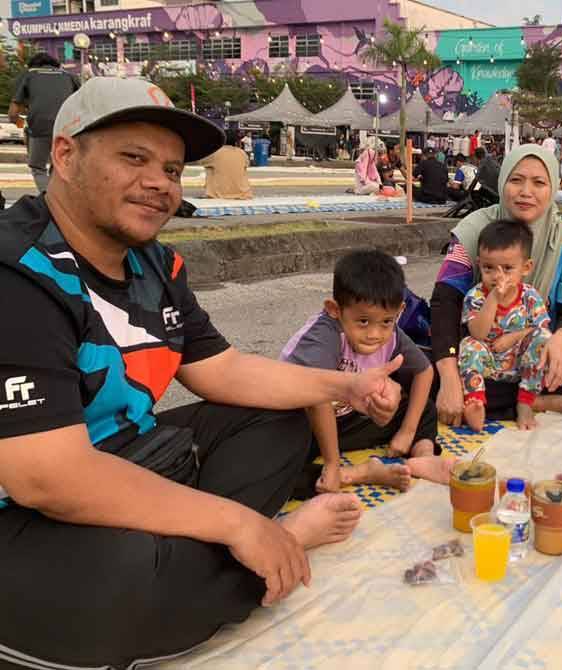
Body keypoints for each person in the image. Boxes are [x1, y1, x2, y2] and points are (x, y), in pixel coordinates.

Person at [0, 77, 405, 668]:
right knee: (118, 581)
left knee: (280, 420)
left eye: (171, 169)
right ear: (64, 155)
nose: (158, 183)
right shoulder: (19, 272)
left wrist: (346, 386)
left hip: (132, 454)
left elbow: (225, 371)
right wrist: (238, 523)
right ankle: (272, 546)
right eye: (133, 158)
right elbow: (48, 478)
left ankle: (203, 563)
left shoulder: (157, 265)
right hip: (24, 510)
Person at [431, 144, 562, 426]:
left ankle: (484, 399)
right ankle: (534, 401)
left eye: (539, 182)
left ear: (553, 188)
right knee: (422, 371)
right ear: (502, 182)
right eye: (516, 180)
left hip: (532, 351)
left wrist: (561, 340)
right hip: (476, 348)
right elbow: (445, 303)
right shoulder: (473, 229)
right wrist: (448, 377)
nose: (526, 192)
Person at [282, 250, 453, 494]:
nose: (374, 334)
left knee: (423, 408)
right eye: (363, 321)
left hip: (346, 419)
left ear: (399, 311)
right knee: (272, 464)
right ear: (334, 309)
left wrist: (407, 432)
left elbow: (424, 371)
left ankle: (423, 456)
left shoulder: (393, 334)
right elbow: (317, 399)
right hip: (305, 423)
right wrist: (332, 463)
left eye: (386, 321)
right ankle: (358, 473)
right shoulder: (324, 335)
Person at [460, 221, 551, 432]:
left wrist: (514, 337)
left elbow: (543, 329)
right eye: (489, 268)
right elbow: (478, 333)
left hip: (522, 367)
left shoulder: (529, 296)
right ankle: (475, 401)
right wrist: (493, 298)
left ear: (526, 267)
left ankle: (526, 402)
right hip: (488, 367)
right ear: (479, 264)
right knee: (468, 345)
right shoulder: (476, 296)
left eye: (508, 269)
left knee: (544, 338)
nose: (497, 276)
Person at [8, 53, 80, 193]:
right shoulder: (70, 76)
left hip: (39, 128)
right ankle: (58, 197)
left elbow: (13, 113)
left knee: (37, 167)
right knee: (58, 165)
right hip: (67, 127)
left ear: (33, 65)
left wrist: (19, 122)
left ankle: (47, 199)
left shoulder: (29, 75)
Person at [199, 132, 253, 200]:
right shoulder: (242, 153)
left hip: (219, 192)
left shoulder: (215, 153)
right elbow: (247, 165)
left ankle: (211, 192)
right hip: (242, 193)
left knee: (209, 167)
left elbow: (201, 161)